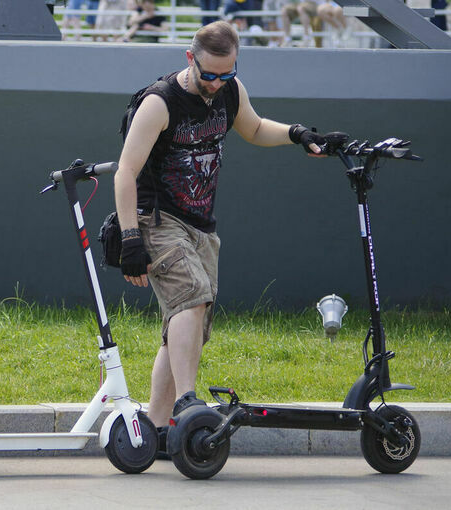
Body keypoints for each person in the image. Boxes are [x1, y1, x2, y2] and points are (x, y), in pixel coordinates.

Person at [113, 20, 325, 456]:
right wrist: (131, 238)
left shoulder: (229, 90)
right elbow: (124, 172)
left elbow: (254, 128)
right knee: (191, 299)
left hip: (201, 226)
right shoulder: (159, 102)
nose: (216, 83)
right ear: (189, 58)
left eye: (226, 74)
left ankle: (158, 430)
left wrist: (296, 134)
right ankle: (188, 404)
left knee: (187, 327)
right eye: (208, 74)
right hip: (158, 218)